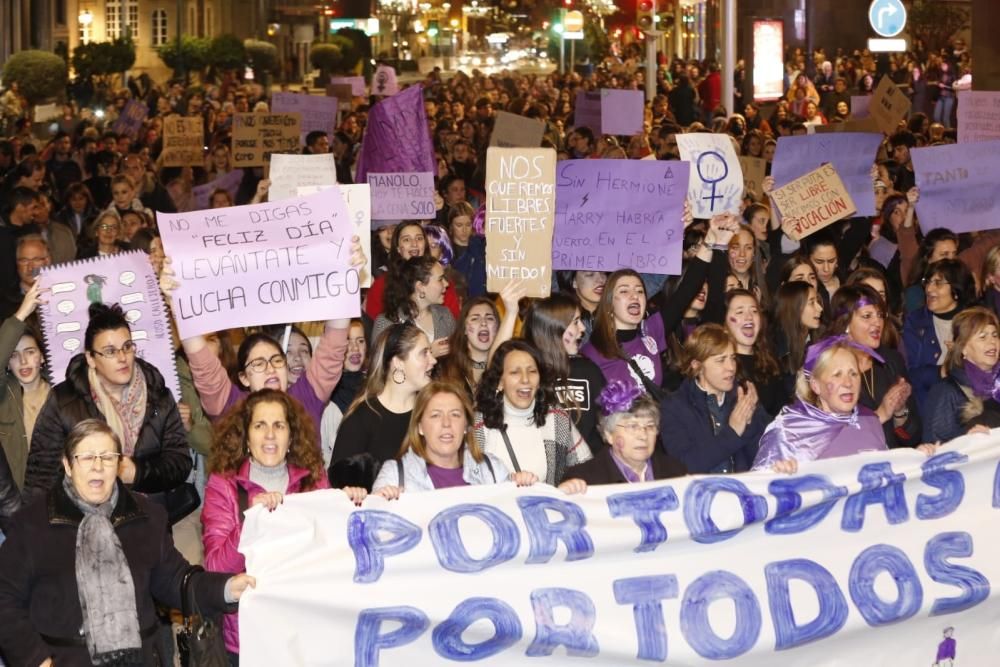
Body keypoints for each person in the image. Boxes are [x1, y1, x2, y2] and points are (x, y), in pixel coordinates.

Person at [0, 419, 254, 666]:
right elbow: (5, 600)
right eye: (87, 457)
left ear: (119, 465)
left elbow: (178, 581)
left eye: (108, 457)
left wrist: (228, 587)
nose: (98, 467)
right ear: (67, 465)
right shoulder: (33, 524)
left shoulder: (145, 516)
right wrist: (35, 660)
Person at [202, 389, 355, 659]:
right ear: (246, 437)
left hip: (306, 633)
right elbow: (215, 568)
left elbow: (336, 554)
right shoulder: (223, 485)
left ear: (291, 436)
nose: (270, 434)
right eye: (260, 425)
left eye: (279, 425)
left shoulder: (315, 481)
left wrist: (354, 507)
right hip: (248, 639)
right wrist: (251, 521)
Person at [159, 238, 366, 433]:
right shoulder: (231, 407)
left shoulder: (306, 399)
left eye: (277, 360)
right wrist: (178, 304)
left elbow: (331, 351)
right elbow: (205, 368)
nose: (270, 368)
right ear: (243, 378)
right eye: (258, 363)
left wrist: (345, 277)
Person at [25, 303, 193, 508]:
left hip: (148, 519)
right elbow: (41, 475)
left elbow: (180, 462)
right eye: (110, 351)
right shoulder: (64, 401)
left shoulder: (158, 395)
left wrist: (137, 472)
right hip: (82, 524)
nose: (122, 358)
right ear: (91, 358)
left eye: (127, 347)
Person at [754, 336, 937, 471]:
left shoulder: (868, 420)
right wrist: (778, 478)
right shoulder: (789, 431)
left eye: (853, 373)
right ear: (816, 385)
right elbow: (757, 497)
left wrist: (916, 462)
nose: (848, 383)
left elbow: (888, 478)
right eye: (837, 374)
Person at [372, 381, 537, 496]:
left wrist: (525, 488)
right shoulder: (394, 474)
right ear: (420, 426)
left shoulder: (491, 469)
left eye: (455, 415)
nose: (446, 423)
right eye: (436, 415)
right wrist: (379, 504)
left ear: (466, 425)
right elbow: (372, 534)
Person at [473, 340, 592, 486]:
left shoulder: (555, 417)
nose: (525, 379)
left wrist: (569, 484)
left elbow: (587, 468)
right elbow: (468, 483)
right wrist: (507, 483)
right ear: (499, 382)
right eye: (515, 372)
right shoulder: (478, 424)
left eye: (532, 371)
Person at [329, 323, 436, 483]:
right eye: (424, 353)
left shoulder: (434, 411)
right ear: (398, 362)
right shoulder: (360, 419)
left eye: (431, 352)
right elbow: (341, 488)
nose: (433, 360)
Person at [660, 324, 768, 474]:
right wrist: (732, 433)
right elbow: (684, 466)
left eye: (733, 358)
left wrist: (749, 424)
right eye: (721, 360)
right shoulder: (674, 407)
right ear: (697, 366)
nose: (731, 367)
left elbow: (762, 459)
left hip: (743, 492)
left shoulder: (743, 399)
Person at [825, 284, 920, 447]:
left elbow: (913, 438)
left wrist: (899, 413)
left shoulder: (891, 361)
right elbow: (828, 440)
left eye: (880, 315)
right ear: (846, 323)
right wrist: (881, 414)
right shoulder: (827, 369)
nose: (878, 322)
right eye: (867, 316)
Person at [522, 293, 607, 452]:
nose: (582, 328)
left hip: (589, 471)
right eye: (575, 322)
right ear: (553, 328)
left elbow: (607, 424)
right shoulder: (526, 376)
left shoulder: (588, 370)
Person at [564, 380, 687, 485]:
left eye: (650, 426)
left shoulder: (676, 473)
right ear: (609, 434)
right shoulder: (584, 481)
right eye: (632, 426)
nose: (643, 435)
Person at [903, 258, 977, 411]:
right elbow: (910, 375)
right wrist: (943, 370)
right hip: (932, 406)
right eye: (928, 282)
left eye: (938, 283)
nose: (929, 289)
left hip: (975, 403)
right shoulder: (916, 322)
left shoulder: (976, 321)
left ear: (956, 290)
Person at [924, 307, 1000, 442]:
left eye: (995, 335)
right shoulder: (946, 391)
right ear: (963, 348)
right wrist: (969, 439)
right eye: (982, 337)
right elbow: (937, 449)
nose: (992, 342)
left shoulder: (997, 385)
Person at [0, 284, 48, 488]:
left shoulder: (61, 393)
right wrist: (22, 313)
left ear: (42, 356)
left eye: (30, 352)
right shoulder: (4, 395)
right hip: (13, 503)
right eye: (14, 355)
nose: (23, 361)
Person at [372, 255, 455, 358]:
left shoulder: (444, 315)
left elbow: (457, 359)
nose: (446, 284)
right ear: (420, 287)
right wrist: (429, 353)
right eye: (440, 279)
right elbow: (380, 368)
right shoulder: (387, 323)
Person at [724, 289, 784, 416]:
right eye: (740, 312)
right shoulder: (721, 367)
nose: (749, 317)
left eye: (754, 311)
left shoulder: (771, 363)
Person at [320, 320, 367, 465]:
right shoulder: (324, 393)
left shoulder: (377, 387)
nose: (355, 348)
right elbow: (323, 453)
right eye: (347, 341)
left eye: (360, 341)